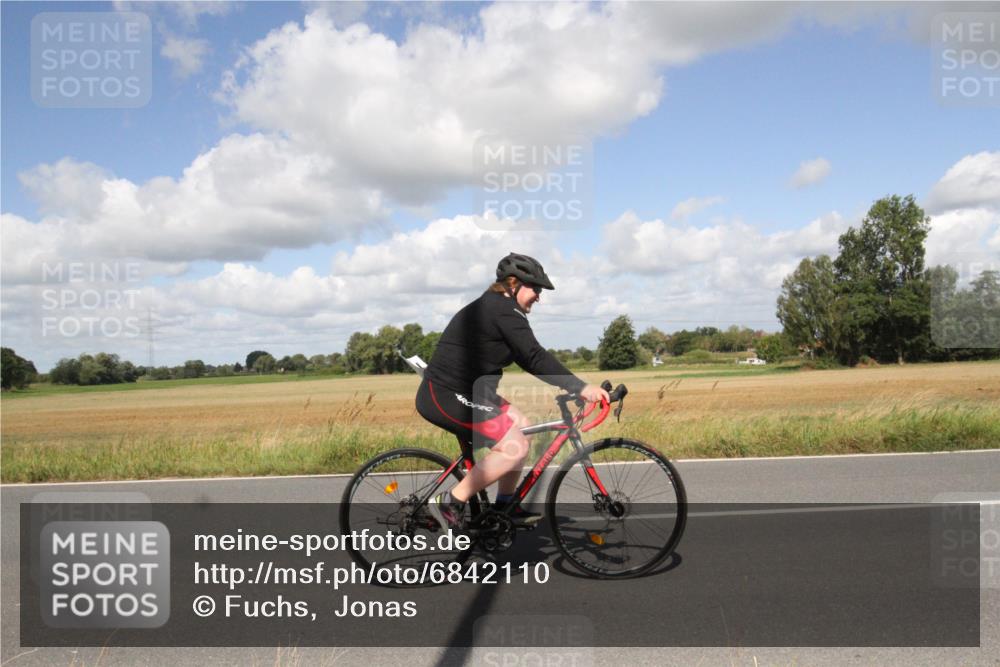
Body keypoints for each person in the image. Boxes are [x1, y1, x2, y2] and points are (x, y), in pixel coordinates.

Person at [415, 252, 610, 530]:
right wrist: (580, 387)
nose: (539, 297)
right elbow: (534, 357)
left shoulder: (497, 308)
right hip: (446, 394)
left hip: (470, 392)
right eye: (536, 288)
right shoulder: (503, 310)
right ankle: (450, 502)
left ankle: (505, 504)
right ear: (513, 283)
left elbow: (527, 357)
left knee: (522, 426)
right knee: (514, 446)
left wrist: (572, 385)